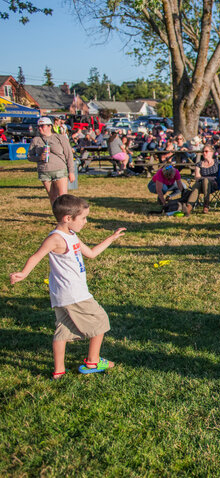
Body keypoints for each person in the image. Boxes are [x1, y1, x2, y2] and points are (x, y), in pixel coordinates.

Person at [9, 194, 125, 379]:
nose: (86, 222)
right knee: (101, 321)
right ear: (68, 218)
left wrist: (111, 238)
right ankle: (93, 361)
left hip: (62, 294)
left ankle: (59, 371)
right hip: (74, 294)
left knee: (63, 330)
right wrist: (23, 273)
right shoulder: (56, 238)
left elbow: (92, 253)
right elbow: (36, 256)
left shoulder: (72, 235)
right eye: (83, 218)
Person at [29, 117, 76, 205]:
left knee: (62, 196)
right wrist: (39, 158)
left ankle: (64, 216)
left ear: (50, 126)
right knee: (53, 197)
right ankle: (57, 215)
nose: (40, 128)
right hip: (44, 171)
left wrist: (71, 172)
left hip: (59, 170)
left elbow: (69, 155)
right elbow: (29, 156)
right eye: (38, 126)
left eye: (42, 126)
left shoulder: (59, 137)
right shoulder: (36, 140)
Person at [180, 144, 220, 215]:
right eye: (203, 151)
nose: (204, 153)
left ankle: (204, 204)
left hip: (214, 184)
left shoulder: (218, 163)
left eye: (206, 151)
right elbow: (197, 177)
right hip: (201, 185)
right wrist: (205, 178)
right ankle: (189, 208)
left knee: (204, 181)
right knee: (198, 184)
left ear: (211, 152)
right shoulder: (199, 164)